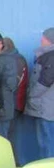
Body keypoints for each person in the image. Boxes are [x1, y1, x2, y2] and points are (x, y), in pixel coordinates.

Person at [24, 27, 54, 159]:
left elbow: (46, 80)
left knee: (47, 143)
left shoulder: (51, 57)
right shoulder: (46, 56)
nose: (42, 39)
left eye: (45, 38)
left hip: (46, 108)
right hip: (44, 106)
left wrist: (31, 95)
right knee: (44, 142)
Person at [0, 31, 19, 138]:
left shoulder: (8, 60)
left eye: (1, 43)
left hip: (3, 107)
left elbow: (12, 85)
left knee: (0, 139)